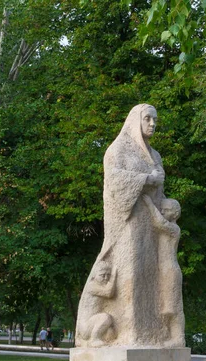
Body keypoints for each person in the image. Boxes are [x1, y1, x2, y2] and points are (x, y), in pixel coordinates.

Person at [76, 104, 184, 348]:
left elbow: (161, 193)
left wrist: (169, 207)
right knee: (131, 276)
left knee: (150, 279)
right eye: (148, 119)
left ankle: (152, 334)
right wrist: (147, 179)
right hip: (129, 225)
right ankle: (130, 333)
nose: (153, 124)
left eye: (155, 120)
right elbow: (114, 181)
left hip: (152, 229)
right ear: (136, 120)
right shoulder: (118, 150)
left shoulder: (155, 155)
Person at [142, 195, 184, 346]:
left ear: (174, 214)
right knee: (165, 306)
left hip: (170, 271)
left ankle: (179, 338)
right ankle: (168, 335)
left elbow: (159, 223)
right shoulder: (169, 224)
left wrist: (149, 203)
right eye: (161, 209)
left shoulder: (174, 229)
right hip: (163, 270)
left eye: (165, 210)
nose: (162, 212)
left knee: (173, 306)